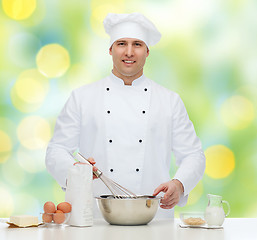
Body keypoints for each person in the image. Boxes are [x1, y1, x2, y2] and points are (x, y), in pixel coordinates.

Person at [45, 12, 206, 219]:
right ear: (110, 49)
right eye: (122, 43)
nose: (129, 52)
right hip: (95, 217)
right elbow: (56, 150)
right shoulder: (82, 98)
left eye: (137, 45)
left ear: (147, 51)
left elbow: (194, 154)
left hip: (154, 219)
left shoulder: (169, 101)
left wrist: (179, 184)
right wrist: (76, 171)